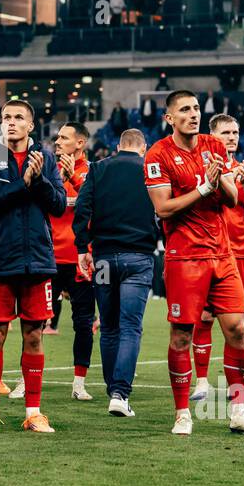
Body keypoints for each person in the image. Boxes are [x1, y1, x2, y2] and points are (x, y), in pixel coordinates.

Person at [144, 91, 244, 436]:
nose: (193, 114)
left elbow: (233, 197)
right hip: (185, 257)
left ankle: (238, 410)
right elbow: (163, 208)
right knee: (182, 334)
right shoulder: (158, 154)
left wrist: (221, 182)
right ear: (169, 118)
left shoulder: (213, 144)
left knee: (238, 329)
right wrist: (204, 187)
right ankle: (183, 413)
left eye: (196, 108)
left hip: (222, 254)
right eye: (184, 110)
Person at [0, 99, 67, 433]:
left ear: (30, 125)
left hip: (38, 260)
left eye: (18, 118)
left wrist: (39, 180)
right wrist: (22, 184)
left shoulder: (46, 158)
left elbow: (57, 205)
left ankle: (33, 413)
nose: (10, 123)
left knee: (34, 335)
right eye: (5, 118)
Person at [72, 128, 157, 415]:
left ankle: (113, 390)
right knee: (130, 326)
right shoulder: (149, 169)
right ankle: (120, 393)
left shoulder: (98, 169)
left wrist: (82, 248)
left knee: (108, 325)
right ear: (143, 148)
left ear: (118, 146)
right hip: (138, 258)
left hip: (104, 260)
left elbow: (82, 209)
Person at [188, 113, 244, 401]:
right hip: (210, 250)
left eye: (235, 132)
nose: (232, 137)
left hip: (243, 253)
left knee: (239, 323)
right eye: (226, 132)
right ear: (212, 135)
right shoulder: (200, 167)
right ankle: (202, 383)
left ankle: (238, 386)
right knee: (205, 317)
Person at [45, 121, 96, 401]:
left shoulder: (93, 173)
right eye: (58, 137)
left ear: (80, 143)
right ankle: (27, 381)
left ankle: (79, 382)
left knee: (83, 322)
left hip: (80, 257)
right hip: (48, 256)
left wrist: (72, 180)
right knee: (35, 321)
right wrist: (58, 180)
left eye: (64, 137)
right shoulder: (46, 170)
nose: (58, 141)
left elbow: (94, 208)